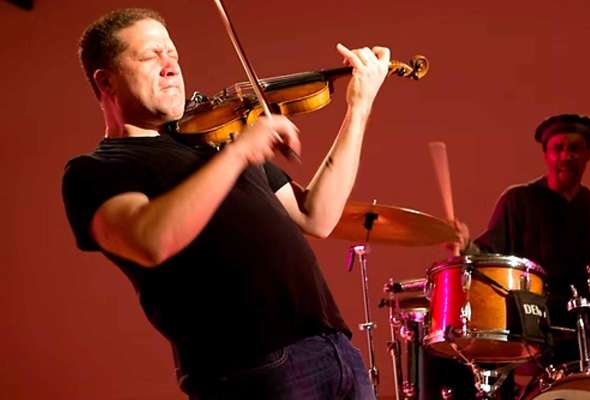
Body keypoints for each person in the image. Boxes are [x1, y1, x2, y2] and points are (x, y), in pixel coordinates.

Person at [62, 8, 390, 400]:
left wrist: (359, 108)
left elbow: (316, 216)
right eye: (150, 56)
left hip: (335, 350)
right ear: (105, 81)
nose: (170, 66)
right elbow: (150, 240)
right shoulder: (96, 170)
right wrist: (239, 153)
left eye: (173, 54)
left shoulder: (216, 140)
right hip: (252, 370)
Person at [451, 114, 590, 395]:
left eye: (574, 148)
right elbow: (490, 257)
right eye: (557, 148)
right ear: (546, 155)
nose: (566, 156)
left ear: (588, 154)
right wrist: (466, 245)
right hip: (536, 330)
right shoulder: (519, 201)